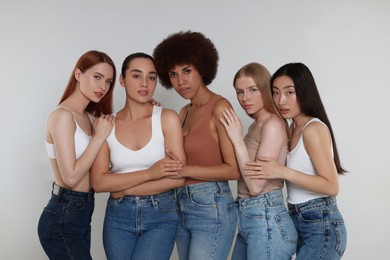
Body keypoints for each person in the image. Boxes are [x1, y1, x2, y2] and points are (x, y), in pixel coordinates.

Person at [245, 62, 347, 259]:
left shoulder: (313, 129)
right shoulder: (290, 128)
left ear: (304, 91)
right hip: (296, 219)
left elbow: (332, 186)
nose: (281, 100)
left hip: (321, 225)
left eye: (289, 92)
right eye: (275, 92)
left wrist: (281, 171)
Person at [153, 31, 240, 260]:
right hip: (180, 206)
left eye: (187, 71)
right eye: (173, 74)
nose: (180, 81)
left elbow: (234, 169)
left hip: (212, 207)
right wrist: (151, 114)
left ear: (202, 67)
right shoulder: (183, 112)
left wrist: (186, 171)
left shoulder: (220, 108)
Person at [90, 52, 186, 260]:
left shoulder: (167, 118)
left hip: (161, 214)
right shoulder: (107, 124)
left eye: (151, 77)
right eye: (136, 75)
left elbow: (178, 177)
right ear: (122, 80)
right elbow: (98, 182)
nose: (145, 83)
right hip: (118, 217)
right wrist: (151, 173)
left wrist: (122, 188)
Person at [38, 50, 116, 259]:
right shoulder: (62, 116)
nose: (103, 87)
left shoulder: (91, 119)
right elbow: (70, 178)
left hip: (81, 213)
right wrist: (99, 138)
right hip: (63, 214)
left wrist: (151, 109)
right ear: (78, 75)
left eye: (108, 81)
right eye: (97, 77)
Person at [219, 62, 298, 259]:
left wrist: (237, 140)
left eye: (252, 90)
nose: (245, 98)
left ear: (265, 88)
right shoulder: (255, 125)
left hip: (266, 217)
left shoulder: (272, 124)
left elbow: (255, 187)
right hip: (248, 216)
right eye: (239, 92)